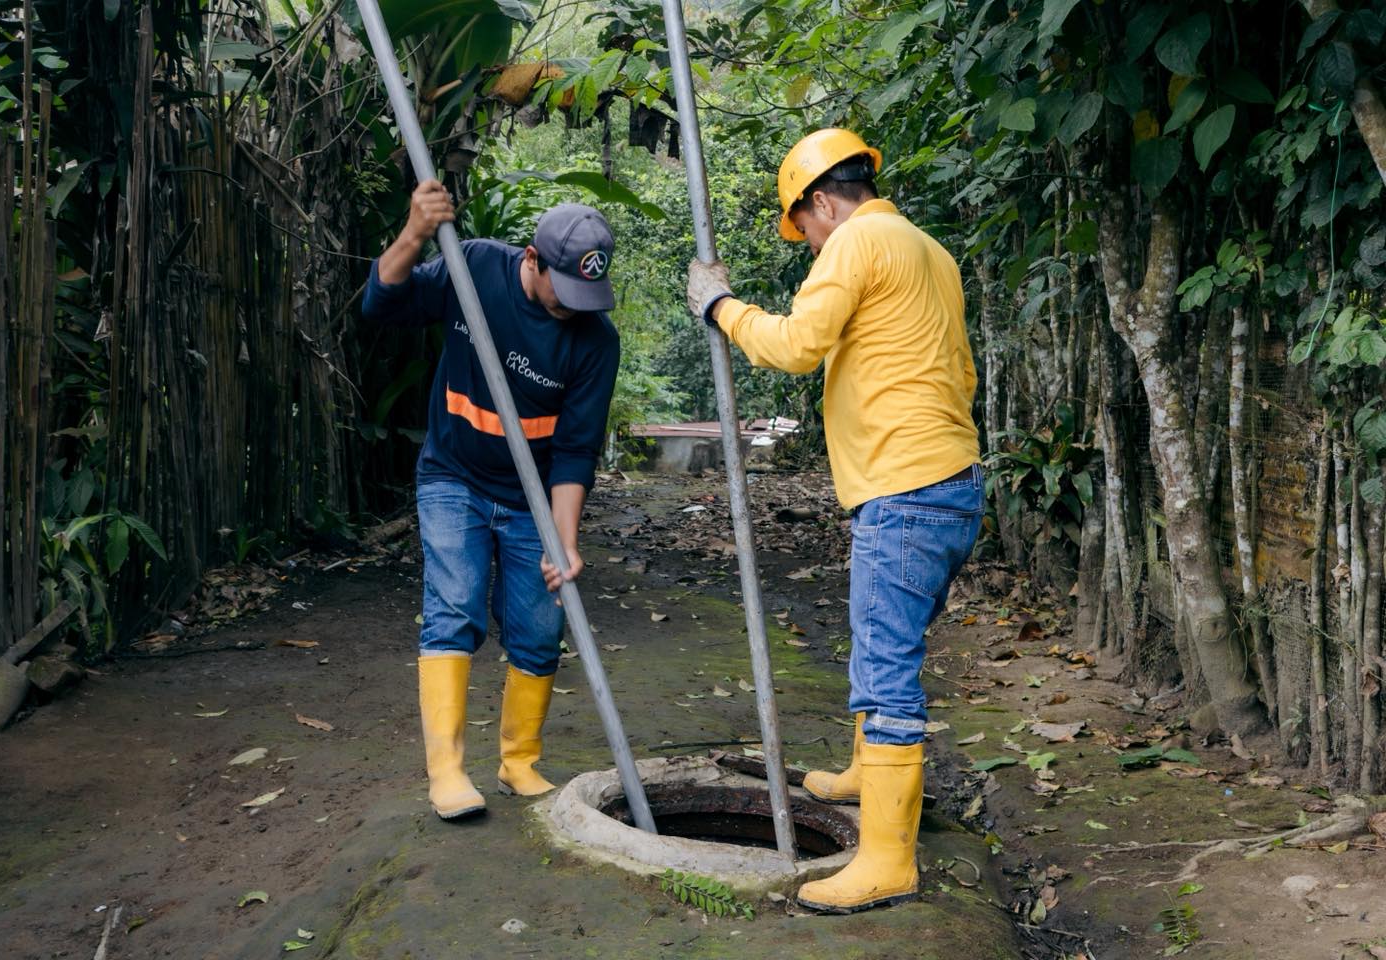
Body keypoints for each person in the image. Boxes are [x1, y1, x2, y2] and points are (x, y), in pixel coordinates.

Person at [686, 129, 983, 913]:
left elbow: (796, 345)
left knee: (886, 669)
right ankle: (862, 776)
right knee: (881, 638)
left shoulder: (855, 242)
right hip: (953, 483)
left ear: (821, 203)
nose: (811, 246)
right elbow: (961, 372)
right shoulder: (930, 251)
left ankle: (887, 861)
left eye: (804, 229)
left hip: (904, 490)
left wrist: (720, 306)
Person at [363, 179, 620, 821]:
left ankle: (519, 761)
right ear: (532, 259)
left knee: (539, 626)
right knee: (454, 604)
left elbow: (576, 450)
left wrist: (564, 541)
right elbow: (381, 302)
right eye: (564, 292)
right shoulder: (475, 266)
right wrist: (416, 231)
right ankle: (447, 772)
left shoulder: (596, 342)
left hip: (533, 496)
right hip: (454, 475)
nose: (573, 309)